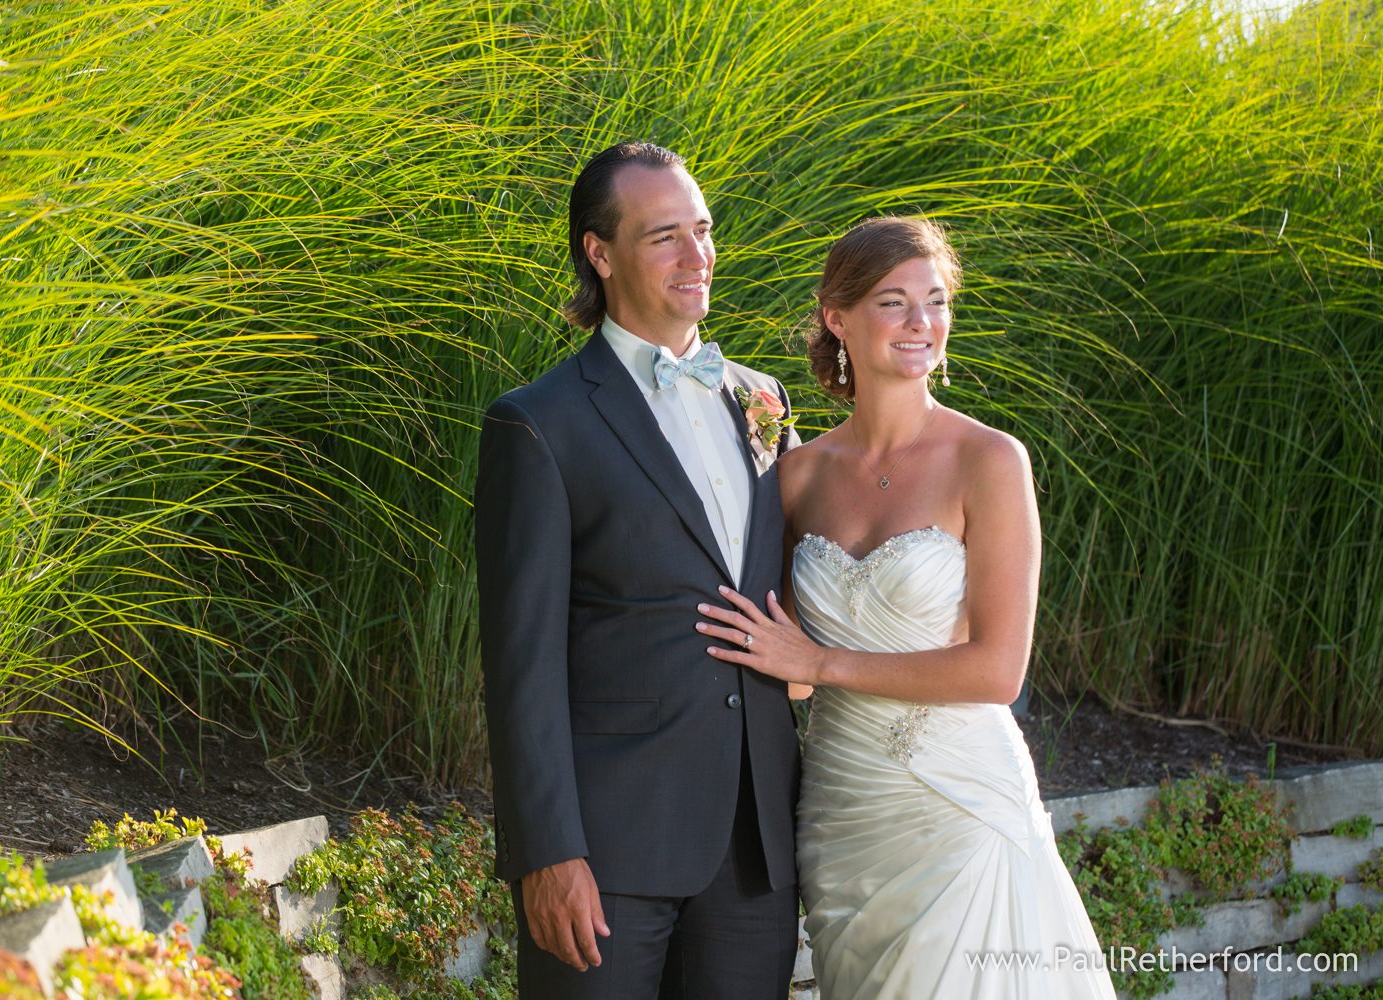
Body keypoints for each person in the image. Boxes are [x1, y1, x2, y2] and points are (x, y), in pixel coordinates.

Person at [696, 217, 1116, 998]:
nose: (922, 323)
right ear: (837, 318)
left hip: (961, 805)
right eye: (894, 302)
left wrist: (819, 664)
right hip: (842, 814)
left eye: (936, 301)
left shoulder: (987, 461)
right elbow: (777, 658)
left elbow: (997, 670)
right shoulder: (797, 477)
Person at [474, 141, 803, 1000]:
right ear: (600, 251)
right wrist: (546, 854)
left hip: (755, 849)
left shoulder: (764, 401)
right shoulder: (537, 424)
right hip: (608, 852)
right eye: (665, 237)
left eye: (702, 230)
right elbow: (521, 666)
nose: (697, 257)